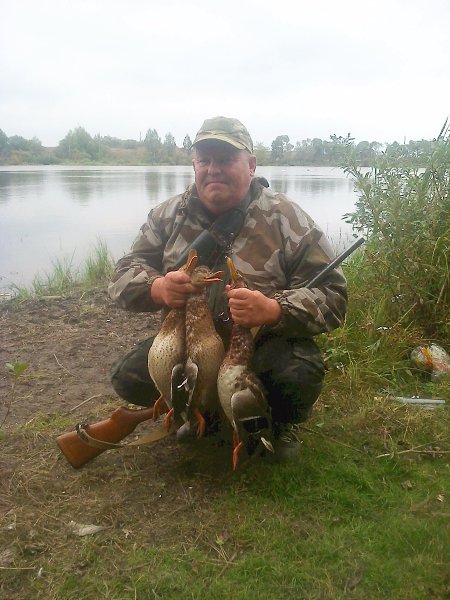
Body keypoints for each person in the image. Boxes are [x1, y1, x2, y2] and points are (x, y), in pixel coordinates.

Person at [108, 116, 347, 460]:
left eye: (225, 159)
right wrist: (157, 288)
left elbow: (334, 296)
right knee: (129, 375)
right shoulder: (167, 216)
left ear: (251, 165)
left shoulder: (287, 218)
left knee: (297, 374)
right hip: (189, 347)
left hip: (257, 349)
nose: (213, 169)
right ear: (194, 165)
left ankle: (276, 422)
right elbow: (122, 274)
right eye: (204, 160)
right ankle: (197, 413)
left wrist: (275, 309)